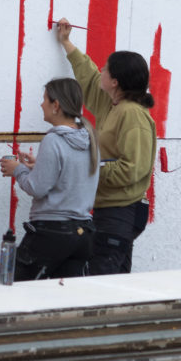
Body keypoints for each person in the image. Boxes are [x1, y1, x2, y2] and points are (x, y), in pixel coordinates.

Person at [54, 19, 157, 275]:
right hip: (110, 207)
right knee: (115, 281)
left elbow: (132, 169)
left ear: (116, 82)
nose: (101, 70)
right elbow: (88, 76)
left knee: (103, 282)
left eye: (107, 69)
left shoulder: (132, 115)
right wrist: (66, 43)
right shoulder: (111, 105)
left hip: (122, 210)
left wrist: (87, 169)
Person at [0, 78, 100, 280]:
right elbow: (71, 175)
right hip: (84, 232)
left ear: (56, 106)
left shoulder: (53, 139)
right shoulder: (89, 138)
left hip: (53, 232)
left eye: (45, 99)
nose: (41, 104)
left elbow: (37, 187)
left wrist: (18, 169)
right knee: (63, 300)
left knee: (17, 289)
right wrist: (39, 165)